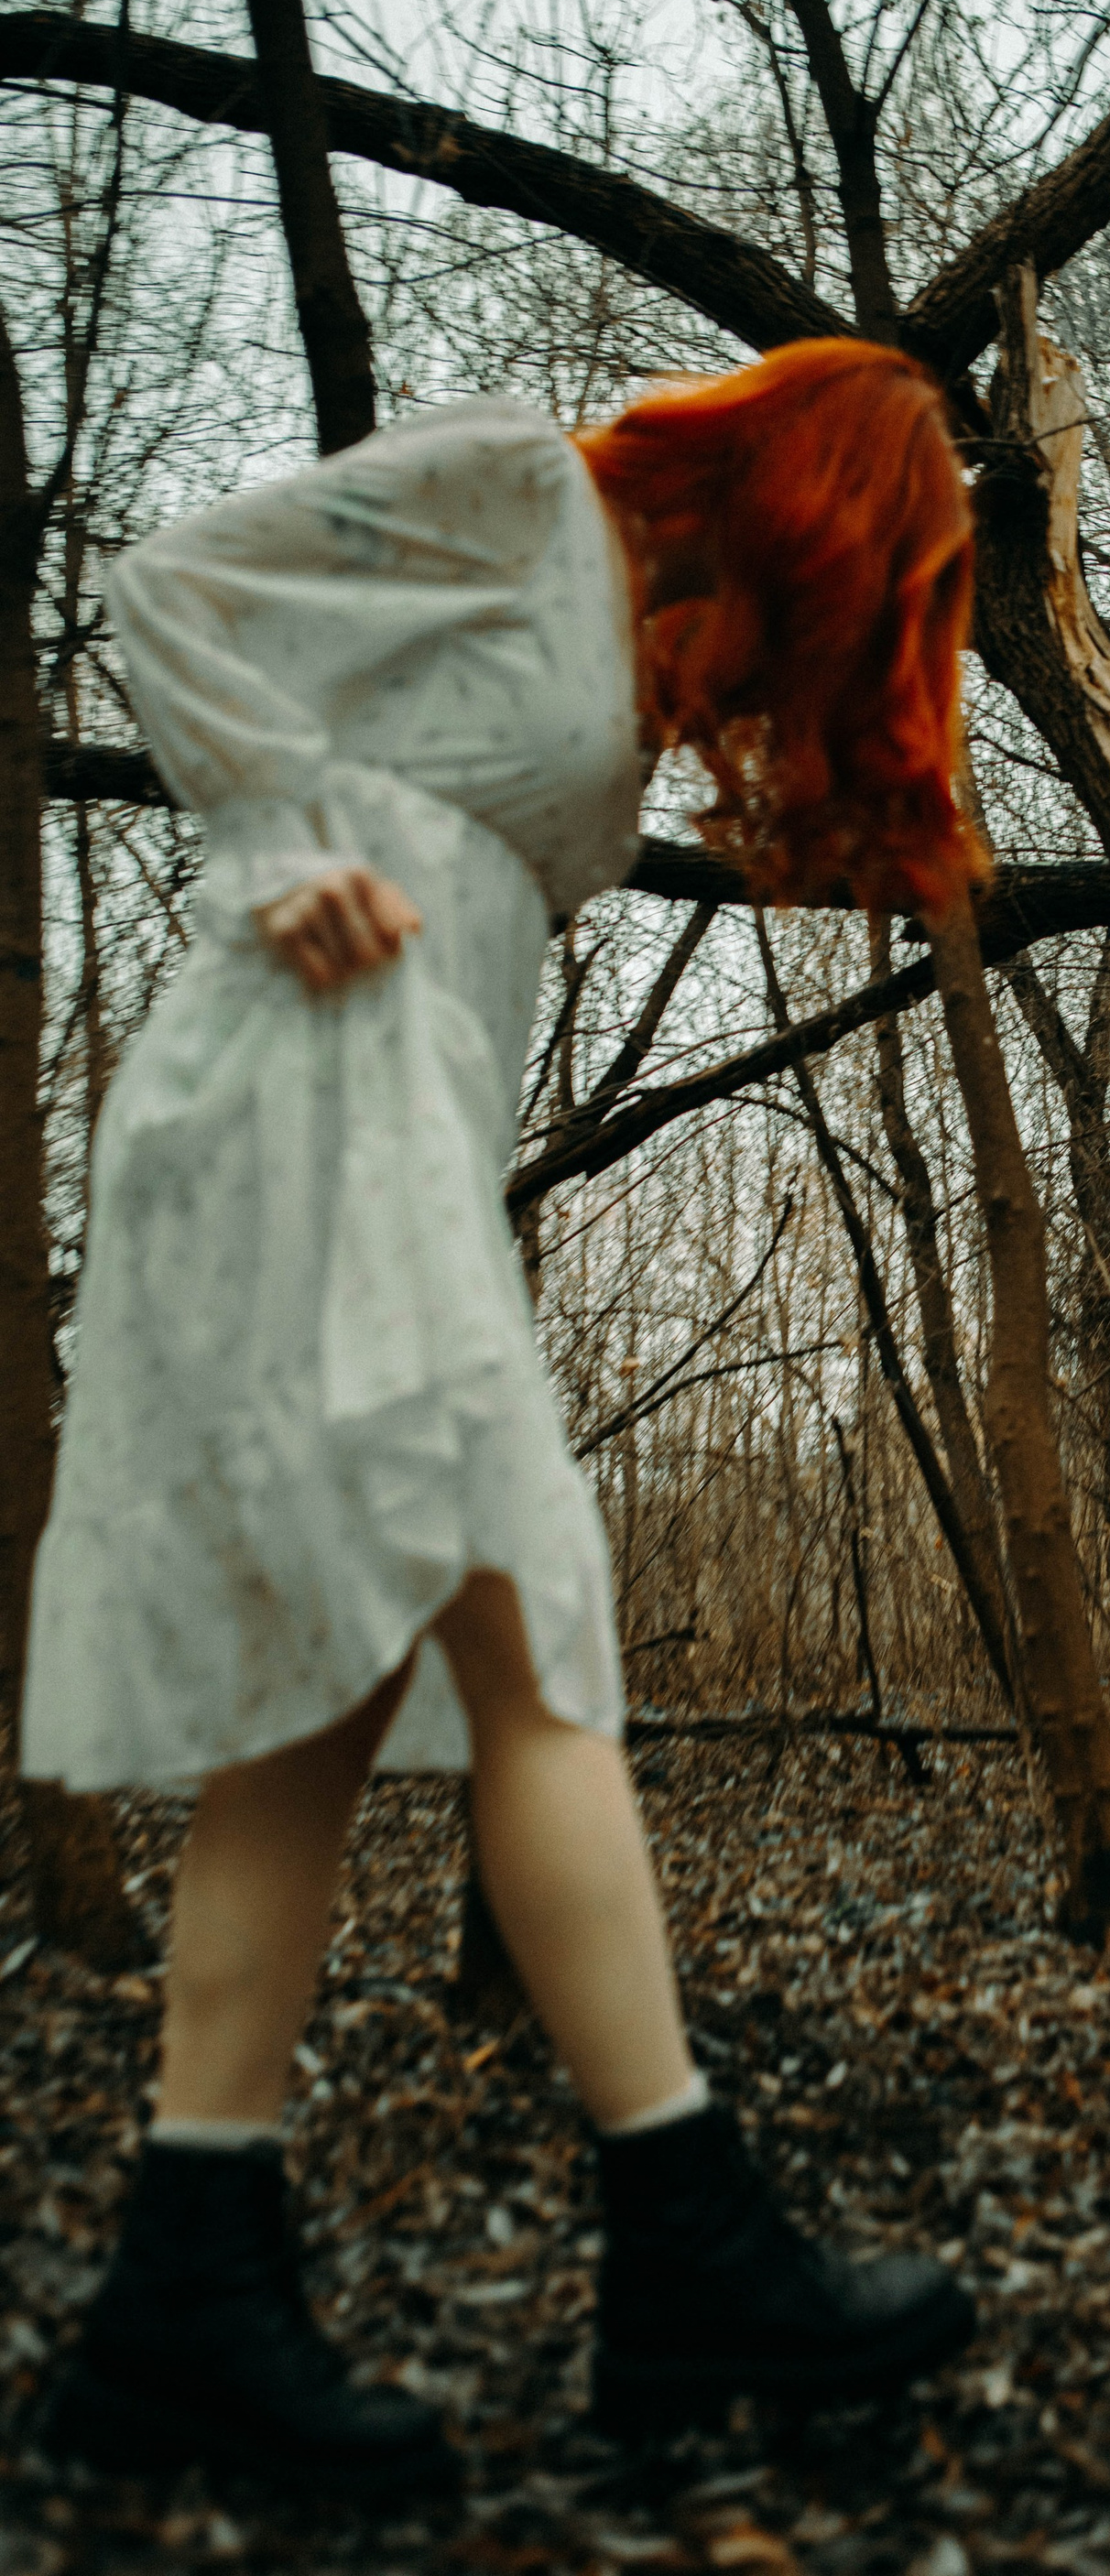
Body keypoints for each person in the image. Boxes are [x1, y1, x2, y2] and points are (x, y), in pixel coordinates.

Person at [27, 342, 985, 2500]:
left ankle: (182, 2290)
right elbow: (170, 585)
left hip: (397, 1131)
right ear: (802, 508)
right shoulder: (505, 487)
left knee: (332, 1690)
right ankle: (686, 2233)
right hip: (296, 1101)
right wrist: (277, 841)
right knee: (524, 1630)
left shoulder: (625, 648)